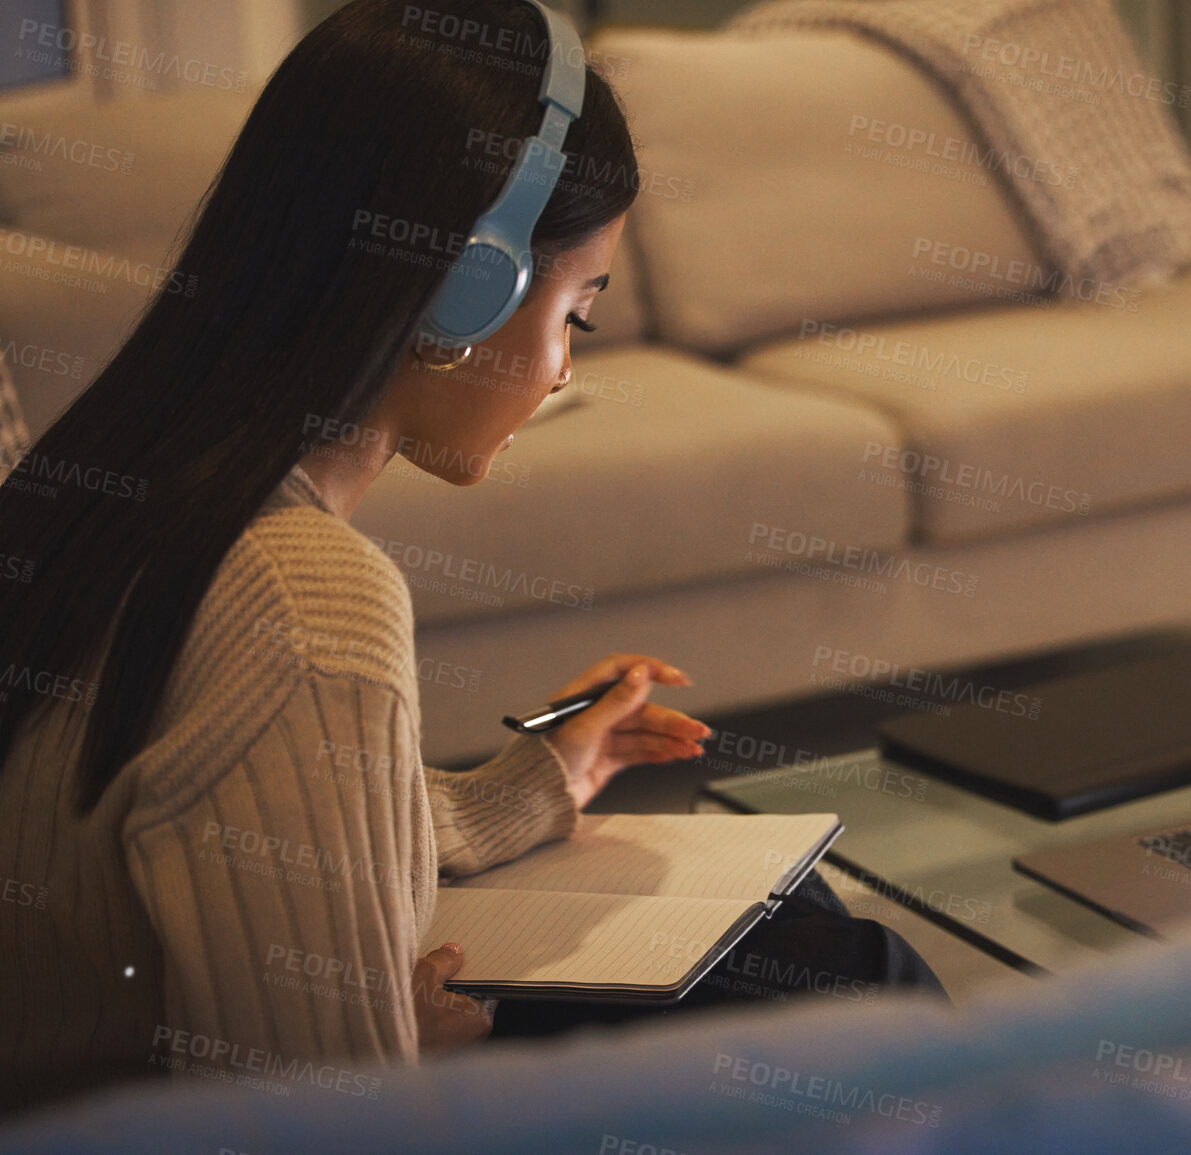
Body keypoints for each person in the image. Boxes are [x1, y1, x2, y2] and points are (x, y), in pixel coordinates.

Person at [0, 0, 936, 1117]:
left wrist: (548, 775)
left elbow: (263, 814)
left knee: (795, 923)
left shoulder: (103, 477)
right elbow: (318, 1121)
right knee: (864, 984)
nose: (559, 372)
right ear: (467, 283)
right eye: (578, 314)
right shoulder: (306, 601)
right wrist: (418, 1058)